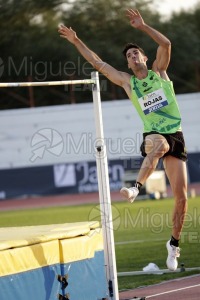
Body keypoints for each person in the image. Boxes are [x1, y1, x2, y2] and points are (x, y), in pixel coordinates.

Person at [58, 8, 188, 271]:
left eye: (135, 53)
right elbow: (97, 63)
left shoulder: (159, 72)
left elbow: (166, 43)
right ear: (128, 65)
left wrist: (142, 26)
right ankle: (136, 188)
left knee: (182, 198)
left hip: (177, 133)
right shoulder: (129, 83)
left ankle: (173, 244)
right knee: (159, 146)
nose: (132, 56)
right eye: (128, 56)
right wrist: (76, 41)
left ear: (144, 56)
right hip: (154, 134)